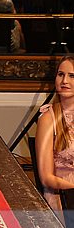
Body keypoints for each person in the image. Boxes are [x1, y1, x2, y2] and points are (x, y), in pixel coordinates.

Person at [35, 56, 74, 218]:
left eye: (72, 76)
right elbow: (46, 178)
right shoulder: (48, 118)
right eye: (60, 74)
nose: (64, 81)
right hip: (63, 200)